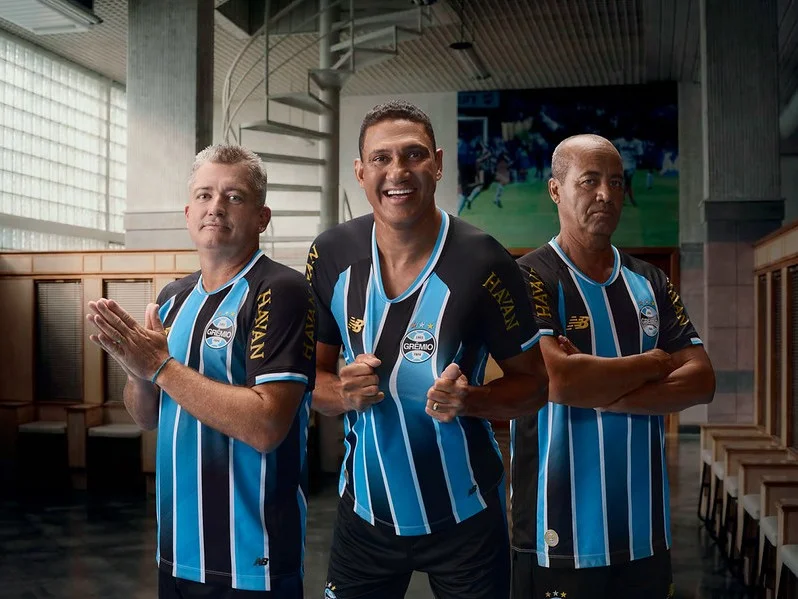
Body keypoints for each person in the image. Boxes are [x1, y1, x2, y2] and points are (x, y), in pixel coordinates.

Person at [306, 100, 548, 599]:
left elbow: (535, 386)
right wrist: (343, 394)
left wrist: (473, 400)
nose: (398, 172)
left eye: (413, 155)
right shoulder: (329, 253)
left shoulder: (486, 261)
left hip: (466, 514)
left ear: (437, 164)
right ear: (360, 171)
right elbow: (309, 379)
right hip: (365, 513)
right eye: (381, 158)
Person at [86, 144, 316, 599]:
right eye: (205, 195)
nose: (216, 207)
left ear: (262, 217)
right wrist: (137, 372)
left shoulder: (281, 289)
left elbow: (267, 425)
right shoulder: (172, 297)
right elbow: (146, 416)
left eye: (234, 196)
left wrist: (160, 367)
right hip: (176, 548)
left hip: (253, 555)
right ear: (188, 212)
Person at [512, 134, 716, 599]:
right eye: (589, 181)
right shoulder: (529, 275)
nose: (606, 193)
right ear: (556, 189)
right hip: (557, 529)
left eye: (617, 182)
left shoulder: (650, 280)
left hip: (645, 528)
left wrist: (600, 389)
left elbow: (702, 380)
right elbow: (558, 380)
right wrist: (654, 362)